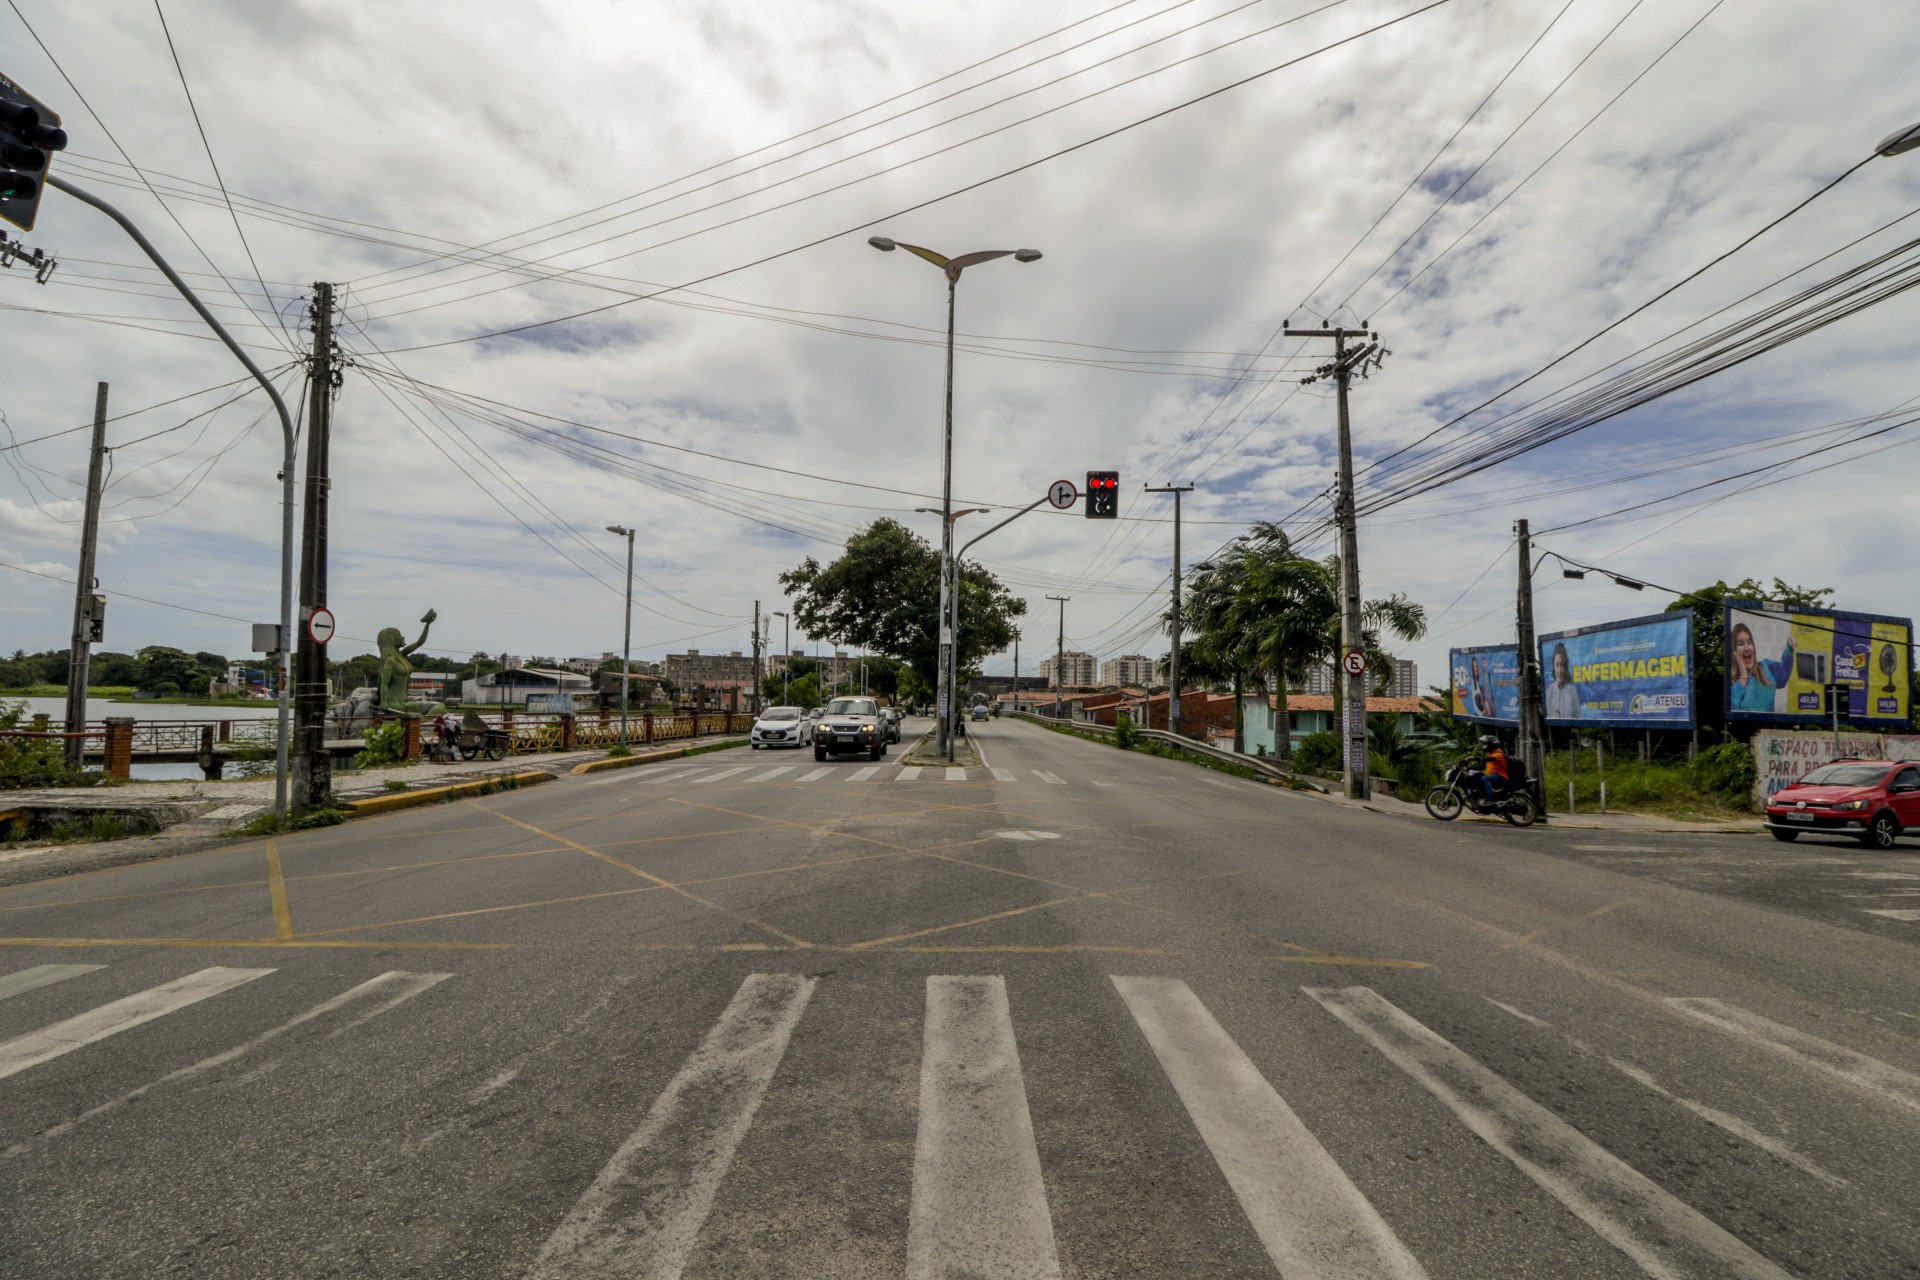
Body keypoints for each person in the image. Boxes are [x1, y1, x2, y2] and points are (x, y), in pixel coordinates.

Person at [1729, 621, 1794, 714]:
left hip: (1769, 725)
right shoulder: (1730, 680)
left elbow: (1782, 679)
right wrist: (1743, 675)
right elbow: (1734, 709)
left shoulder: (1766, 666)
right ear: (1734, 651)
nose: (1747, 647)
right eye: (1740, 644)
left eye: (1749, 642)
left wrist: (1789, 649)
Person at [1544, 642, 1581, 720]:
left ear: (1566, 667)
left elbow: (1578, 717)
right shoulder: (1550, 691)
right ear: (1554, 666)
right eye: (1557, 665)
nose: (1560, 670)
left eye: (1562, 665)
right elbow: (1549, 717)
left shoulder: (1572, 690)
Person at [1474, 734, 1509, 809]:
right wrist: (1469, 768)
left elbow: (1487, 759)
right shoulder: (1489, 754)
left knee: (1485, 778)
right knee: (1478, 776)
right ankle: (1482, 798)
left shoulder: (1499, 754)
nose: (1484, 746)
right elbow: (1483, 766)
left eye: (1486, 744)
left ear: (1492, 745)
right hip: (1494, 776)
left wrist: (1474, 758)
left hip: (1501, 777)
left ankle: (1490, 800)